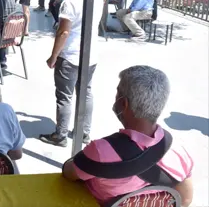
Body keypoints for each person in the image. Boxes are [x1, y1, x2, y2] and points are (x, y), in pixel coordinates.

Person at [62, 66, 193, 207]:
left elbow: (69, 173)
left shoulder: (101, 151)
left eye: (118, 93)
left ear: (123, 103)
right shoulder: (178, 152)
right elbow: (185, 199)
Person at [40, 0, 105, 147]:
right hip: (90, 53)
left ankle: (60, 135)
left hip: (70, 55)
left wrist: (53, 56)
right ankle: (84, 133)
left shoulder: (71, 0)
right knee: (86, 94)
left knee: (64, 96)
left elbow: (64, 31)